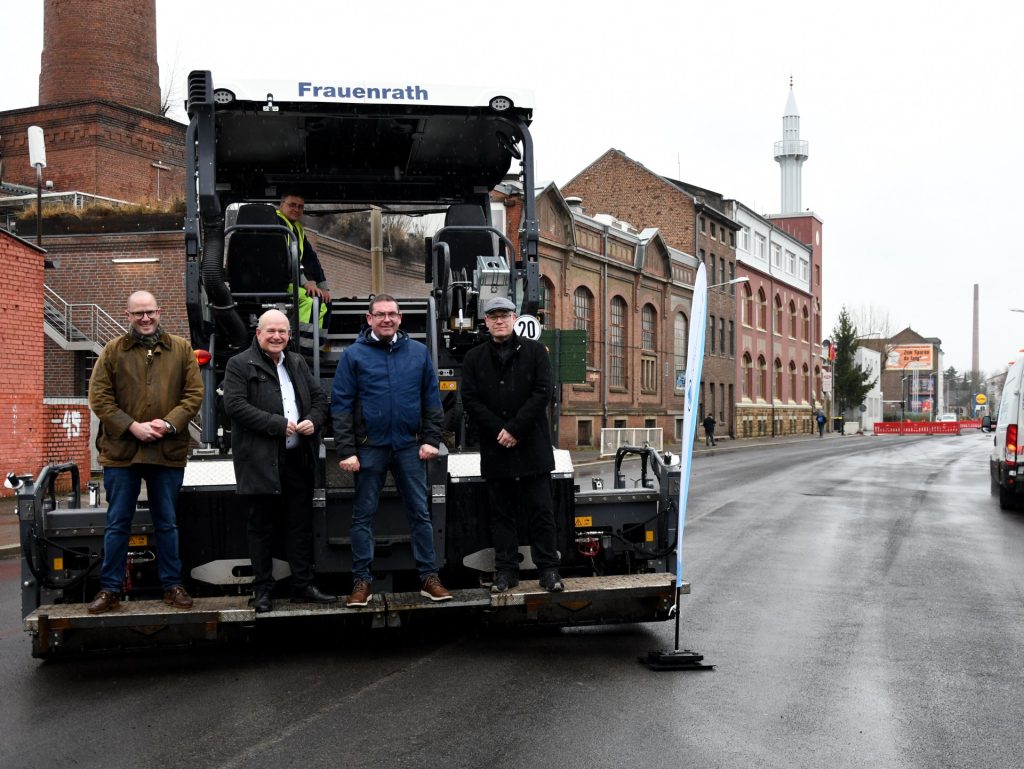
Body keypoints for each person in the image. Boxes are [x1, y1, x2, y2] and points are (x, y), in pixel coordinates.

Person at [86, 291, 204, 614]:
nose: (145, 318)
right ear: (127, 315)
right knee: (117, 524)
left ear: (159, 311)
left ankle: (172, 586)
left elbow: (194, 395)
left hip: (166, 451)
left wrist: (168, 424)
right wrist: (132, 427)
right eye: (138, 313)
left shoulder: (180, 349)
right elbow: (99, 398)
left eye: (150, 312)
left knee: (167, 522)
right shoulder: (112, 352)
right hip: (122, 452)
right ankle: (110, 590)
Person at [331, 295, 452, 606]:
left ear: (400, 319)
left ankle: (429, 577)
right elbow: (341, 405)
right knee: (362, 517)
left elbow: (432, 400)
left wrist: (430, 439)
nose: (387, 319)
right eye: (380, 314)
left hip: (410, 447)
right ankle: (362, 582)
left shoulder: (418, 353)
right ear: (368, 319)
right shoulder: (353, 356)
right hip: (369, 449)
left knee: (420, 513)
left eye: (392, 314)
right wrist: (346, 449)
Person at [223, 309, 336, 612]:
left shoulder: (296, 362)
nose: (277, 337)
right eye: (270, 331)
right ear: (258, 333)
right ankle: (262, 591)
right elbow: (233, 405)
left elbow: (320, 399)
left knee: (300, 525)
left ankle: (303, 586)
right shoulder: (239, 364)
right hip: (260, 461)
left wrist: (313, 420)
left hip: (297, 459)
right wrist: (275, 423)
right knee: (261, 527)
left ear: (289, 335)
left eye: (282, 332)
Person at [461, 296, 563, 594]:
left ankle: (549, 571)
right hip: (497, 450)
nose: (499, 321)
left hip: (532, 448)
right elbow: (470, 399)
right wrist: (500, 431)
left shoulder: (535, 353)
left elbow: (542, 392)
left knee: (541, 512)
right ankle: (506, 572)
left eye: (504, 315)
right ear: (486, 321)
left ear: (515, 318)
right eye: (493, 316)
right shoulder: (474, 358)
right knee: (501, 514)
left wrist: (515, 429)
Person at [276, 192, 331, 328]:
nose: (296, 209)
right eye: (292, 205)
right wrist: (305, 282)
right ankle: (303, 346)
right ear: (281, 205)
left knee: (325, 300)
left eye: (300, 207)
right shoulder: (277, 224)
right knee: (312, 301)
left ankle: (319, 346)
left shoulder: (297, 229)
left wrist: (322, 287)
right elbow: (285, 257)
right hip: (278, 282)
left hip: (290, 281)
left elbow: (311, 259)